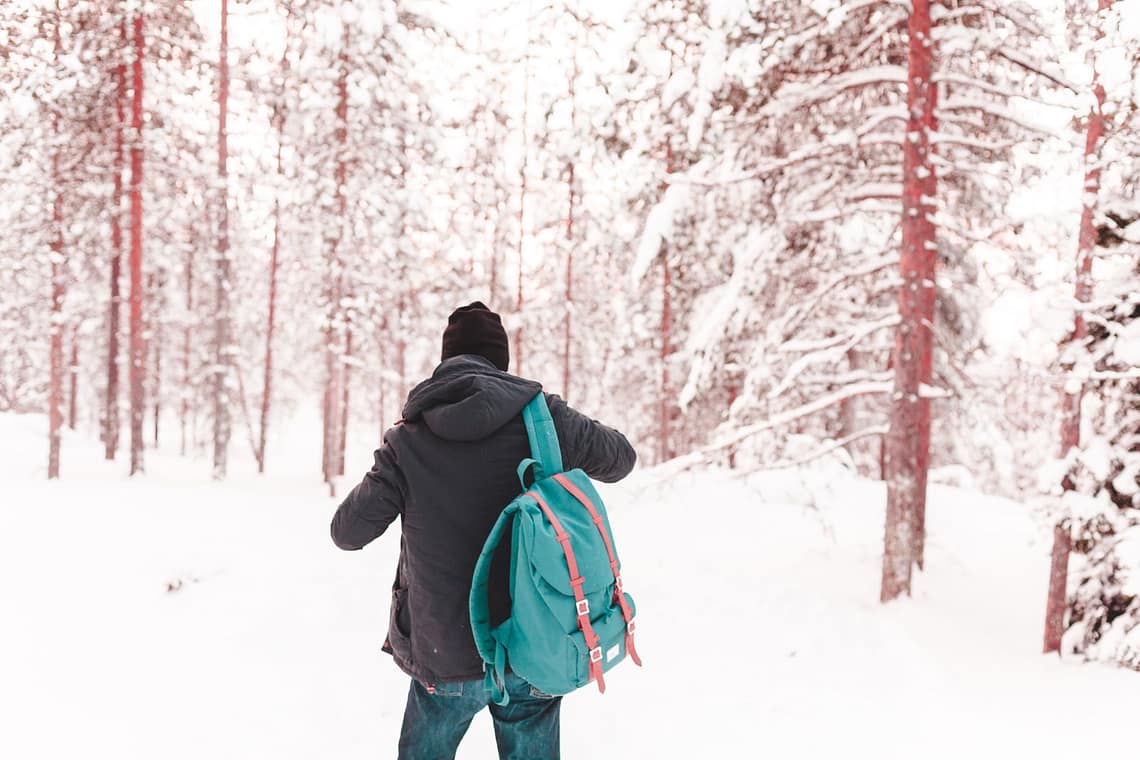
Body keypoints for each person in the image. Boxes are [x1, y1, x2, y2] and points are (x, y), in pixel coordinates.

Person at [330, 301, 637, 760]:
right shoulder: (544, 418)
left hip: (442, 653)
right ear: (502, 363)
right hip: (532, 644)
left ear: (445, 361)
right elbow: (621, 458)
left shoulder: (406, 440)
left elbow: (347, 532)